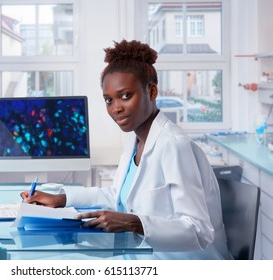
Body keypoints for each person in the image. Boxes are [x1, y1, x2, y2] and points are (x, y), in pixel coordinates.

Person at [21, 39, 230, 259]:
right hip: (139, 257)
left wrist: (134, 223)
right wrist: (61, 198)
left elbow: (199, 231)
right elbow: (117, 196)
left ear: (152, 91)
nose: (116, 108)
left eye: (126, 96)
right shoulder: (134, 140)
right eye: (108, 100)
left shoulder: (175, 145)